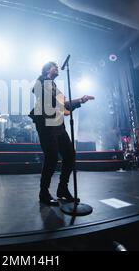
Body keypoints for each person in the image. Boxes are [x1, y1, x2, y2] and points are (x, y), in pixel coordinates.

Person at [29, 61, 94, 206]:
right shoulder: (41, 81)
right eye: (55, 66)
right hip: (46, 124)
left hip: (58, 125)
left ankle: (62, 189)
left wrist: (81, 100)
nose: (58, 68)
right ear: (47, 70)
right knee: (51, 157)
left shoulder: (54, 86)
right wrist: (62, 103)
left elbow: (64, 103)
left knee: (70, 154)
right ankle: (44, 193)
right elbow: (39, 93)